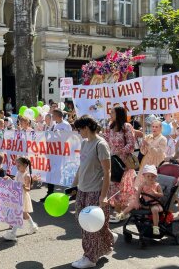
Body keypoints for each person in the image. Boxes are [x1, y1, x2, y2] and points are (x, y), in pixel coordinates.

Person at [70, 115, 114, 269]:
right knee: (82, 221)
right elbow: (81, 166)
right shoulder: (84, 143)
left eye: (79, 129)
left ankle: (90, 258)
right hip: (83, 189)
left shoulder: (101, 145)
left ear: (86, 128)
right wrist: (74, 185)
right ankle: (106, 242)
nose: (78, 132)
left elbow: (107, 172)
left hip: (95, 191)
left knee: (89, 225)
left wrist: (103, 195)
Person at [103, 106, 136, 223]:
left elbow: (131, 144)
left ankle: (120, 212)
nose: (110, 114)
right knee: (113, 186)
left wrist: (119, 151)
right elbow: (105, 141)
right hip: (112, 160)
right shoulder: (109, 126)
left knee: (121, 188)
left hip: (123, 162)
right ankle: (119, 211)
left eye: (112, 112)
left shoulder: (127, 127)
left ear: (119, 114)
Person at [116, 165, 164, 235]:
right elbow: (137, 194)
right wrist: (137, 202)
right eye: (148, 176)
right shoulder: (142, 185)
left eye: (152, 176)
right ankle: (123, 214)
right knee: (132, 203)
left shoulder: (157, 185)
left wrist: (156, 193)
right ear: (144, 176)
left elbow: (161, 194)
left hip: (153, 203)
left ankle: (155, 227)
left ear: (155, 177)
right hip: (144, 203)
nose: (150, 178)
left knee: (155, 210)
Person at [40, 109, 73, 202]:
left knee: (62, 173)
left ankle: (68, 193)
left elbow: (69, 137)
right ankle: (49, 193)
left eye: (53, 115)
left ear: (58, 115)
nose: (52, 117)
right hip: (53, 152)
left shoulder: (66, 125)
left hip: (61, 153)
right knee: (51, 172)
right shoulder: (54, 125)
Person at [3, 157, 38, 241]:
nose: (17, 167)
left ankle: (13, 233)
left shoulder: (27, 175)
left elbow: (28, 189)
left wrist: (23, 186)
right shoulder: (18, 172)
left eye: (19, 165)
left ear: (25, 165)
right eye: (17, 165)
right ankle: (33, 226)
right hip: (17, 196)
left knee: (18, 214)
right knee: (24, 214)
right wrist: (9, 179)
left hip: (22, 196)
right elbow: (15, 183)